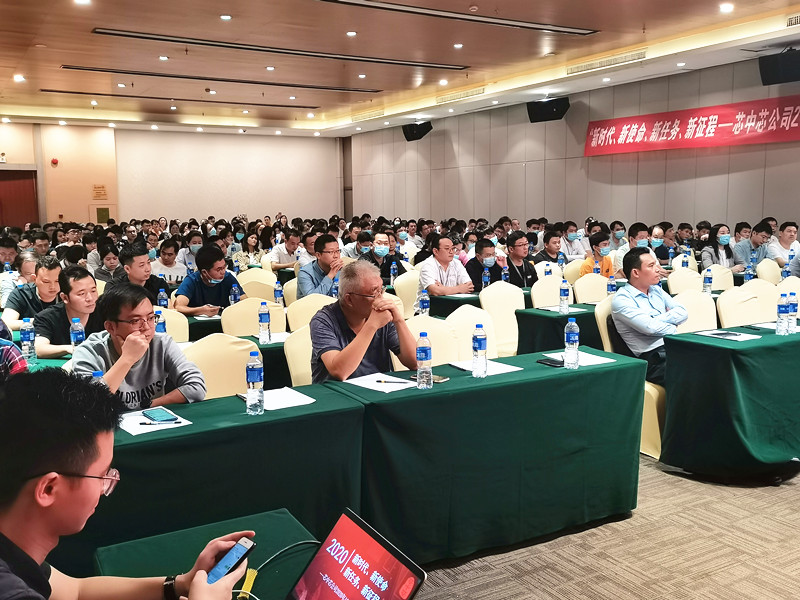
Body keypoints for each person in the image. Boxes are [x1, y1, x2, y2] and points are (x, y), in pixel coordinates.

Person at [0, 368, 251, 600]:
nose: (105, 488)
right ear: (48, 489)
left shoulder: (15, 548)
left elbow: (76, 592)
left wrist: (181, 584)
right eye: (102, 475)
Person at [73, 284, 206, 411]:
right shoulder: (89, 352)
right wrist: (127, 359)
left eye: (151, 318)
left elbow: (196, 387)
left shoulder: (161, 343)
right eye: (136, 321)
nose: (147, 327)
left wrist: (150, 405)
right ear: (110, 327)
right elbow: (89, 405)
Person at [309, 261, 416, 384]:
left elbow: (415, 363)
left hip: (380, 389)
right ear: (349, 299)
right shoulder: (323, 320)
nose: (381, 298)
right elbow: (340, 372)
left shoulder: (382, 316)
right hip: (338, 392)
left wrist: (399, 321)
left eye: (381, 290)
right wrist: (372, 325)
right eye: (374, 293)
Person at [611, 247, 688, 386]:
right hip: (653, 360)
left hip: (673, 348)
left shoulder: (656, 290)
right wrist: (671, 325)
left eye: (656, 264)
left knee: (711, 362)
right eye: (651, 266)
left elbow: (682, 312)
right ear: (635, 272)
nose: (658, 269)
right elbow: (650, 328)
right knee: (692, 372)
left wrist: (655, 320)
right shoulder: (622, 299)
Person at [34, 267, 104, 359]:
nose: (90, 298)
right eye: (81, 294)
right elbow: (39, 349)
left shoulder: (105, 312)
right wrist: (69, 348)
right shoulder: (47, 317)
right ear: (65, 298)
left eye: (93, 291)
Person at [174, 245, 247, 317]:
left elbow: (246, 302)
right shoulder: (192, 280)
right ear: (204, 272)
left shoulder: (228, 278)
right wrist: (201, 310)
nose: (223, 272)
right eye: (218, 269)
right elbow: (178, 307)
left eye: (224, 267)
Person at [1, 256, 61, 331]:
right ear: (34, 279)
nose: (53, 286)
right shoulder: (21, 293)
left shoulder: (68, 292)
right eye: (46, 282)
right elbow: (6, 323)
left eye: (57, 281)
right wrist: (41, 321)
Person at [297, 234, 344, 299]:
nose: (336, 256)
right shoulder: (305, 273)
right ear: (318, 255)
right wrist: (330, 275)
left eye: (337, 251)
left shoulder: (341, 270)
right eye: (331, 252)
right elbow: (312, 299)